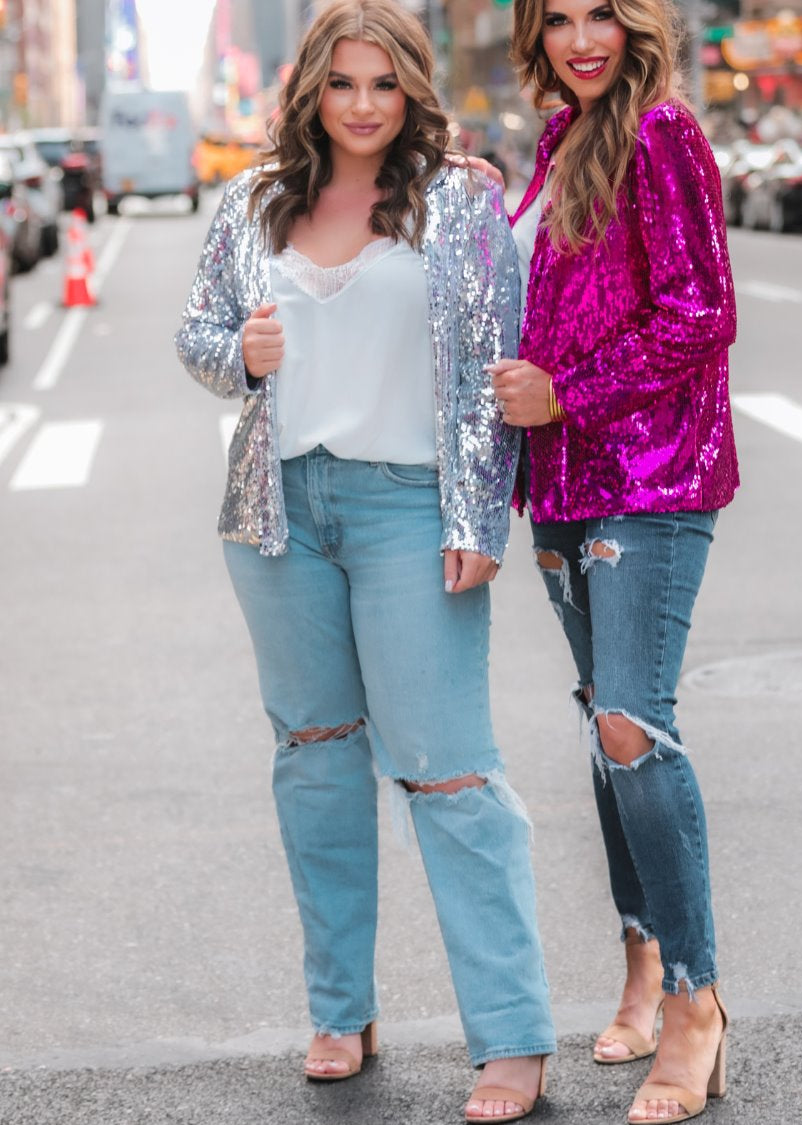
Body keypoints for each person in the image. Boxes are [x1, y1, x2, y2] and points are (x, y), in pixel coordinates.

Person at [175, 2, 555, 1120]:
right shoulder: (254, 199)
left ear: (412, 90)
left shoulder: (460, 200)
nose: (362, 105)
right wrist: (241, 356)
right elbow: (199, 337)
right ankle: (341, 1010)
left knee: (449, 770)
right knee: (316, 760)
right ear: (312, 90)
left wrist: (478, 521)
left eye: (384, 83)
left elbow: (493, 364)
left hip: (408, 508)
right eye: (342, 83)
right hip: (280, 515)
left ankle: (512, 1036)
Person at [490, 0, 739, 1122]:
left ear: (638, 21)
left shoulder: (663, 132)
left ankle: (694, 1000)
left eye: (602, 12)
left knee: (634, 722)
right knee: (605, 723)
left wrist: (567, 394)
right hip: (564, 480)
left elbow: (701, 312)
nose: (581, 38)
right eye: (558, 18)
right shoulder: (560, 138)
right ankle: (641, 963)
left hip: (653, 474)